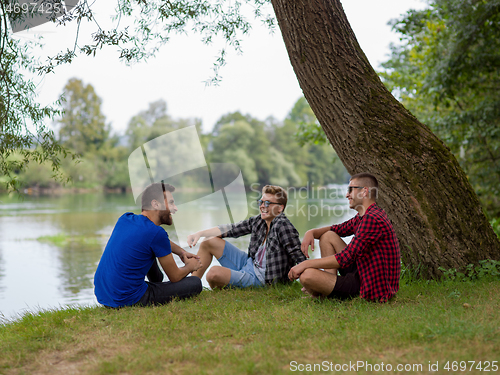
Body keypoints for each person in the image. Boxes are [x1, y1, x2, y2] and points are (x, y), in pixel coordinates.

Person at [288, 173, 401, 302]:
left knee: (307, 276)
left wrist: (305, 264)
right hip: (362, 272)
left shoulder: (372, 219)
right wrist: (311, 232)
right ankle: (325, 289)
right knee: (328, 236)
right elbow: (336, 229)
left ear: (364, 192)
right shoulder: (364, 216)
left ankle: (323, 288)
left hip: (370, 286)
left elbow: (345, 257)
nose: (347, 194)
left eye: (350, 189)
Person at [94, 182, 203, 308]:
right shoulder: (156, 233)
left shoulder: (125, 218)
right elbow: (175, 276)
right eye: (171, 202)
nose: (175, 208)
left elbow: (154, 239)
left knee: (151, 257)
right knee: (195, 283)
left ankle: (156, 284)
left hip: (103, 295)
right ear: (156, 204)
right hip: (128, 299)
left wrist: (181, 252)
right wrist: (191, 266)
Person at [187, 185, 306, 289]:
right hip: (249, 264)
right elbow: (231, 228)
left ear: (280, 208)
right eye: (261, 202)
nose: (263, 206)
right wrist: (199, 233)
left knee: (213, 274)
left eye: (268, 203)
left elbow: (300, 258)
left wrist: (307, 285)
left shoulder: (283, 226)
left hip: (262, 280)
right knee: (208, 241)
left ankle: (228, 287)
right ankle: (191, 286)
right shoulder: (259, 221)